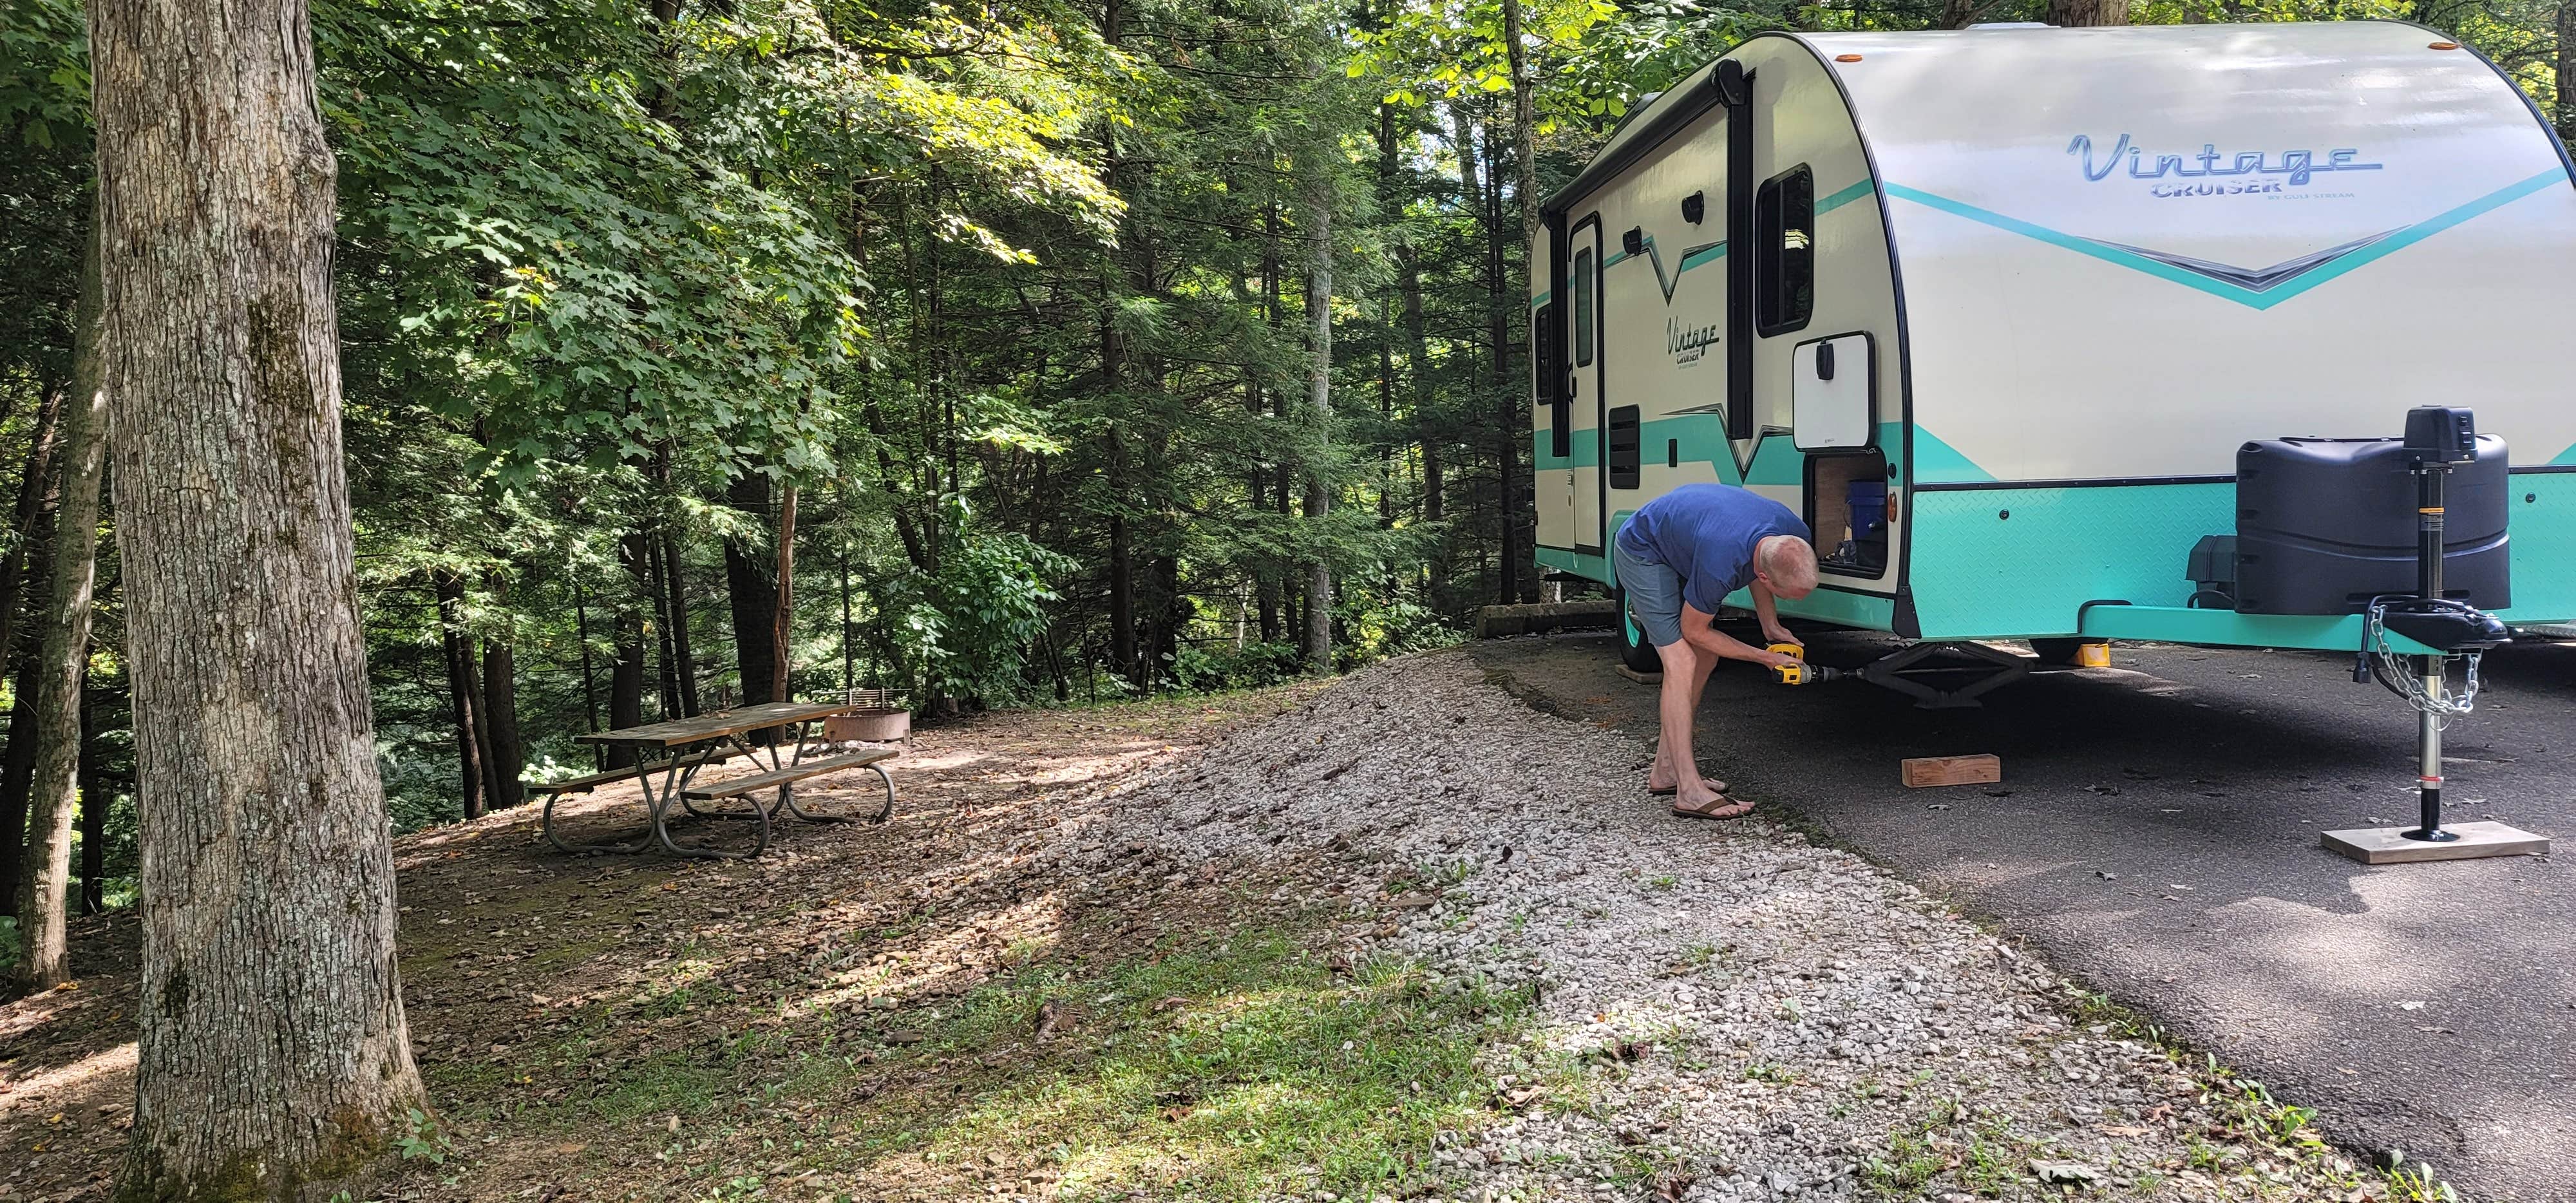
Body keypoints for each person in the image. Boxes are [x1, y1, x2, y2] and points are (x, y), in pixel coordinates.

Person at [1613, 482, 1819, 819]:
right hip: (1643, 550)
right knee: (1681, 660)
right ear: (1769, 579)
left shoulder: (1793, 533)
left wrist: (1770, 623)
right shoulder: (1721, 559)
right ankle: (1689, 792)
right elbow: (1694, 629)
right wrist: (1766, 657)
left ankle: (1665, 771)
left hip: (1687, 542)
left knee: (1706, 656)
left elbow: (1759, 561)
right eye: (1788, 595)